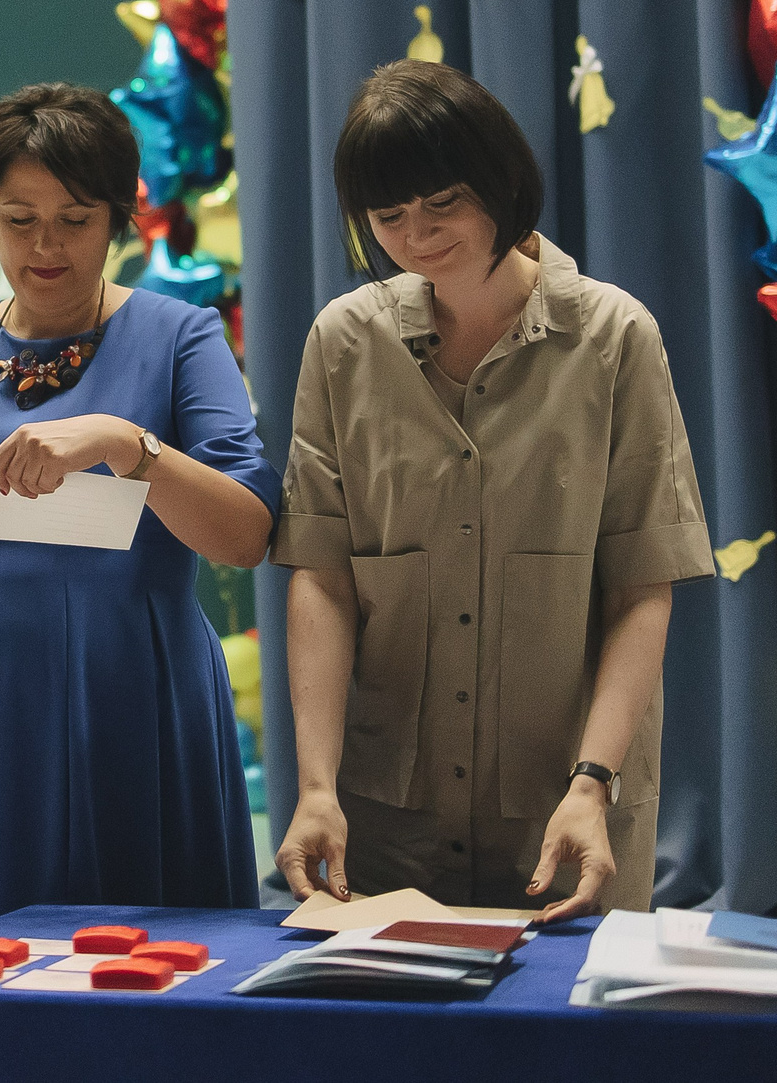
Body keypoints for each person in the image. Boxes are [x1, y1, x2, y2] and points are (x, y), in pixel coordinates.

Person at [0, 83, 277, 947]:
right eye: (17, 219)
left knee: (146, 962)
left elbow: (248, 532)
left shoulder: (181, 335)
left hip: (136, 694)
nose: (45, 246)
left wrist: (125, 442)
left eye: (75, 218)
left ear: (120, 216)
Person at [271, 63, 713, 920]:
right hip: (386, 818)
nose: (418, 234)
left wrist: (593, 781)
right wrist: (318, 786)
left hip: (569, 809)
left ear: (503, 181)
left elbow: (641, 586)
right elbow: (321, 578)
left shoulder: (615, 335)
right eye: (388, 214)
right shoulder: (342, 343)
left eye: (443, 202)